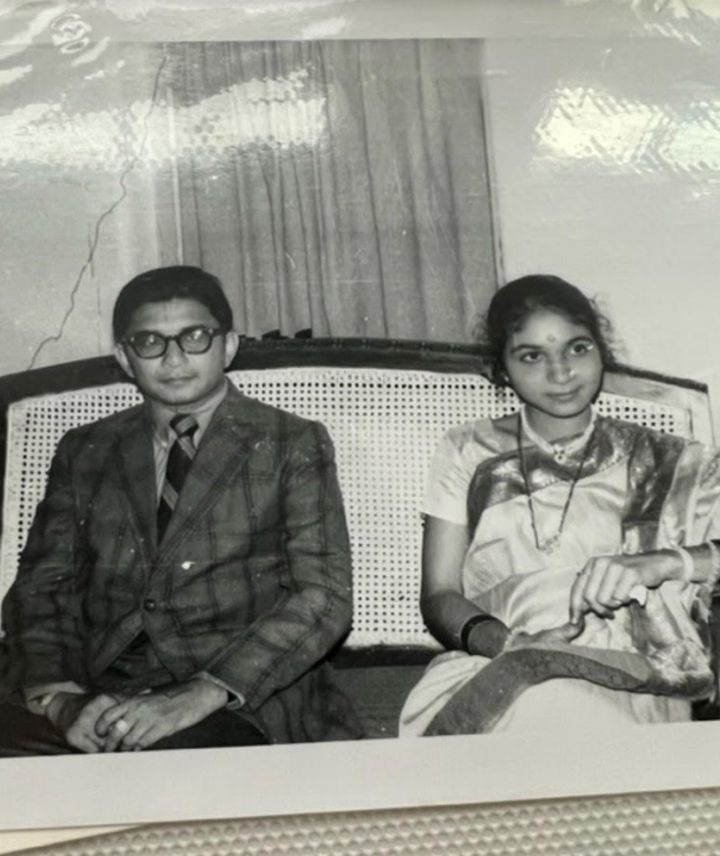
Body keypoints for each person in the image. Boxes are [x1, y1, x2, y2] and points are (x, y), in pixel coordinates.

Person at [0, 265, 361, 754]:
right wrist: (61, 700)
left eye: (194, 337)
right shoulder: (85, 449)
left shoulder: (290, 442)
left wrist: (200, 693)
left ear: (228, 346)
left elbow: (322, 598)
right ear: (125, 358)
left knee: (167, 781)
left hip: (235, 697)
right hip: (96, 690)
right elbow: (42, 590)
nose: (173, 358)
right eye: (149, 341)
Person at [399, 274, 720, 737]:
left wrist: (663, 562)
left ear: (600, 351)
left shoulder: (661, 457)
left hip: (632, 671)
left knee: (568, 721)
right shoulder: (467, 449)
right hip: (498, 664)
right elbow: (439, 594)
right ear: (502, 369)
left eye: (577, 348)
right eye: (532, 356)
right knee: (547, 710)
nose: (561, 373)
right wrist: (509, 643)